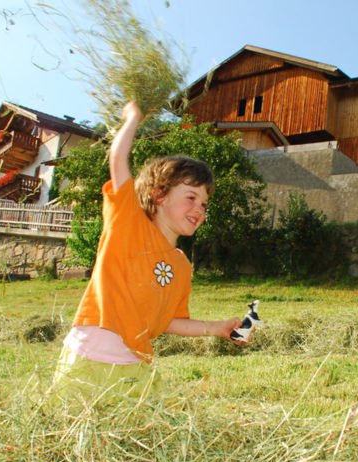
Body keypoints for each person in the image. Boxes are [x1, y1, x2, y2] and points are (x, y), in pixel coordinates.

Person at [50, 101, 244, 403]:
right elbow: (118, 160)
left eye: (204, 204)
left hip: (135, 368)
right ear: (159, 195)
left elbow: (168, 320)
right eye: (191, 197)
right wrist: (132, 118)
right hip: (89, 360)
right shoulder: (127, 224)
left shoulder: (181, 266)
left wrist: (217, 328)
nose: (199, 209)